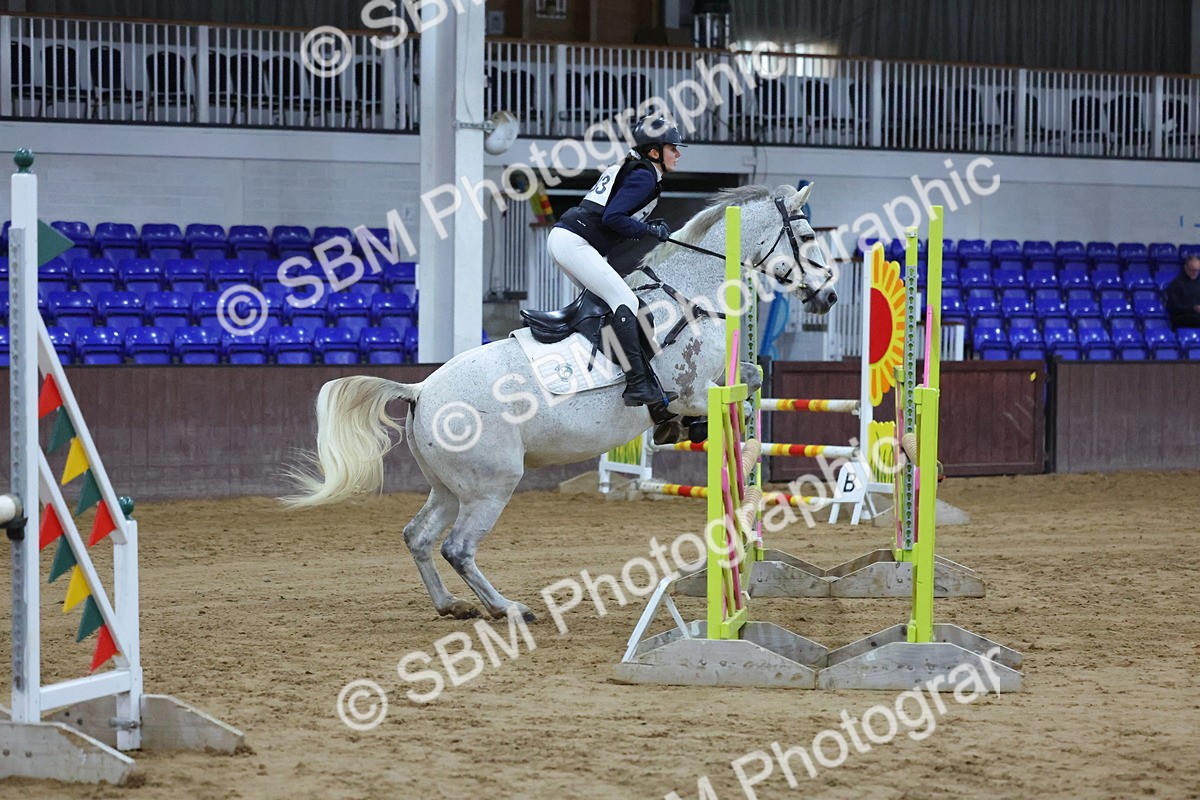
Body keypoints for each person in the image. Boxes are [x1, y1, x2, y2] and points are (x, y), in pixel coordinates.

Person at [547, 116, 685, 411]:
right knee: (625, 301)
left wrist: (647, 225)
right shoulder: (644, 176)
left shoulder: (637, 168)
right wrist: (648, 230)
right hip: (575, 243)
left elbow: (617, 215)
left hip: (572, 241)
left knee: (625, 305)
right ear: (654, 152)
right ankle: (637, 385)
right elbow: (613, 217)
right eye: (672, 148)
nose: (678, 154)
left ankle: (640, 380)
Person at [1165, 255, 1200, 328]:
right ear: (1186, 268)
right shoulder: (1176, 284)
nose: (1195, 273)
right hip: (1182, 316)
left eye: (1197, 270)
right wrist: (1193, 308)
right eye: (1192, 270)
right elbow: (1174, 307)